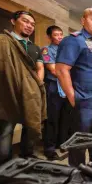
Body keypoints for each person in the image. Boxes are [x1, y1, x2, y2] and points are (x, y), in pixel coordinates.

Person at [0, 10, 46, 163]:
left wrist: (36, 86)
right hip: (9, 92)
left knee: (30, 123)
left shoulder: (35, 48)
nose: (29, 26)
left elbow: (39, 68)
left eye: (32, 24)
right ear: (13, 21)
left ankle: (27, 155)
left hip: (30, 93)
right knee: (6, 127)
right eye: (25, 21)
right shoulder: (1, 42)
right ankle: (2, 162)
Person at [55, 7, 92, 166]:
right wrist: (73, 97)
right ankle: (77, 175)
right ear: (83, 20)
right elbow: (61, 70)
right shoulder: (74, 40)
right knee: (79, 144)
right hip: (84, 102)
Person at [41, 25, 64, 160]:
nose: (60, 37)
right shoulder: (46, 50)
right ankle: (49, 148)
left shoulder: (66, 51)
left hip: (66, 87)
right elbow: (54, 70)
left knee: (65, 118)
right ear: (49, 37)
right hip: (54, 87)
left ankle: (61, 143)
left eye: (61, 34)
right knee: (52, 118)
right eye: (56, 35)